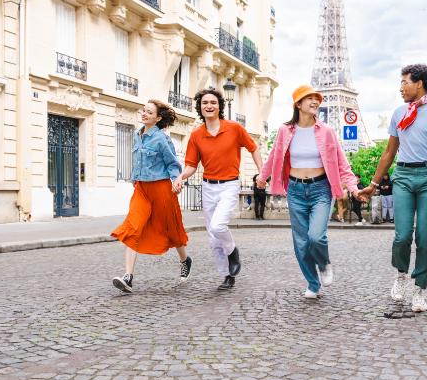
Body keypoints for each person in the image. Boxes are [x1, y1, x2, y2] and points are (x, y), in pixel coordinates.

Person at [359, 64, 427, 313]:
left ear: (420, 83)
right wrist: (373, 184)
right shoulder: (398, 114)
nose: (401, 87)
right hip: (402, 175)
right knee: (402, 236)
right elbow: (389, 152)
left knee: (425, 239)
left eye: (405, 82)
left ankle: (420, 289)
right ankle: (401, 274)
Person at [258, 85, 359, 298]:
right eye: (309, 98)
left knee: (316, 237)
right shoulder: (285, 131)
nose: (315, 102)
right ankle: (313, 284)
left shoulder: (327, 131)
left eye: (316, 99)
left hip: (321, 189)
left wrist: (353, 187)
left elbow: (341, 162)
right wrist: (262, 177)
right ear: (298, 104)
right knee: (301, 243)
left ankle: (323, 264)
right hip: (295, 189)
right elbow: (274, 157)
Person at [173, 88, 263, 291]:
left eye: (213, 102)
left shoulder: (233, 128)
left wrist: (261, 172)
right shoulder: (196, 135)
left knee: (218, 226)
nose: (209, 106)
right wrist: (180, 177)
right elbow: (191, 165)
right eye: (205, 103)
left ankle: (233, 252)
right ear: (200, 107)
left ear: (219, 106)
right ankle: (227, 276)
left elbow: (253, 147)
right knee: (213, 238)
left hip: (229, 185)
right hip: (208, 186)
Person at [111, 100, 191, 294]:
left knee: (171, 229)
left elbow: (172, 164)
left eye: (149, 112)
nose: (144, 114)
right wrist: (134, 178)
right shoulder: (137, 135)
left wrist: (176, 181)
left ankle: (184, 260)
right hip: (141, 190)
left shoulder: (162, 139)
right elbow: (138, 160)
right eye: (144, 111)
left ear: (158, 118)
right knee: (133, 226)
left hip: (162, 188)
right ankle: (128, 277)